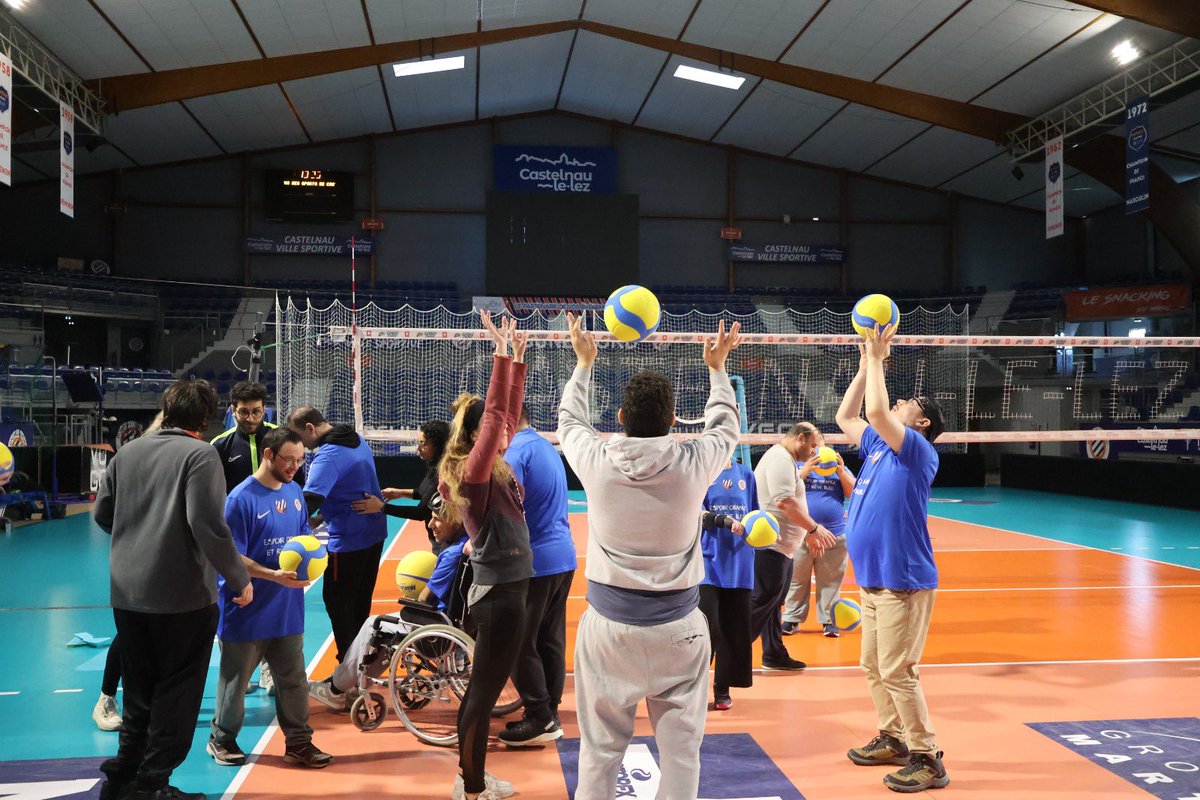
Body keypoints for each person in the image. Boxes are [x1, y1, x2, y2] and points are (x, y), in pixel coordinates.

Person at [558, 312, 741, 800]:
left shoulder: (595, 461)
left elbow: (570, 420)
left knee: (599, 753)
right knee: (682, 754)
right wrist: (717, 369)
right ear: (673, 420)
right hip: (679, 629)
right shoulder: (693, 463)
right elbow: (725, 426)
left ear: (620, 418)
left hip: (609, 631)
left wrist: (584, 363)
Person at [93, 380, 253, 800]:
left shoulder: (127, 453)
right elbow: (209, 527)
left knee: (140, 689)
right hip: (182, 597)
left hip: (127, 593)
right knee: (177, 694)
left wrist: (137, 538)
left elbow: (102, 513)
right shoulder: (200, 455)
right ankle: (153, 784)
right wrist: (239, 578)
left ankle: (123, 778)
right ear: (206, 418)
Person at [835, 328, 949, 793]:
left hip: (903, 578)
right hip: (874, 579)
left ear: (922, 423)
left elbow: (878, 410)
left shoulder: (918, 451)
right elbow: (848, 414)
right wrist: (865, 367)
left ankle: (928, 757)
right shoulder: (880, 446)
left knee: (898, 670)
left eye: (912, 402)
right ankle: (893, 737)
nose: (903, 402)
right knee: (872, 665)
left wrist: (880, 357)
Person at [438, 311, 532, 800]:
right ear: (478, 436)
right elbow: (497, 417)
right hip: (497, 596)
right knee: (483, 692)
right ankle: (472, 788)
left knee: (485, 689)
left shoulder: (494, 466)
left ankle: (468, 774)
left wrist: (517, 361)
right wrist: (498, 357)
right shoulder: (472, 475)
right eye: (493, 432)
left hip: (509, 590)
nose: (505, 434)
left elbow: (506, 417)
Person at [207, 427, 332, 769]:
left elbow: (303, 537)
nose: (294, 466)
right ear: (267, 455)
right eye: (288, 460)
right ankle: (221, 739)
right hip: (246, 606)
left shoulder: (294, 491)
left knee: (292, 680)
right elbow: (232, 556)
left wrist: (314, 558)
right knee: (236, 681)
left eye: (300, 460)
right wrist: (272, 575)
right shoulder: (241, 499)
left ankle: (299, 743)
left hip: (287, 606)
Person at [310, 489, 469, 710]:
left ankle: (337, 689)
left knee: (372, 626)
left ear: (455, 520)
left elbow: (424, 599)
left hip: (435, 625)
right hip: (449, 622)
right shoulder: (467, 544)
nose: (431, 525)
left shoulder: (451, 555)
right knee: (384, 637)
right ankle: (351, 683)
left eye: (436, 519)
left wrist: (409, 600)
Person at [498, 406, 577, 747]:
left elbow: (506, 508)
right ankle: (550, 711)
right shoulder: (545, 446)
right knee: (549, 638)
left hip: (535, 561)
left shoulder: (516, 453)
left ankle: (539, 717)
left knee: (515, 640)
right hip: (563, 556)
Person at [288, 406, 387, 664]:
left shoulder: (328, 455)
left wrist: (287, 526)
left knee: (337, 602)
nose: (301, 443)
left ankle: (347, 669)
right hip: (374, 533)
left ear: (310, 428)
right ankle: (361, 661)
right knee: (359, 603)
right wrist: (326, 514)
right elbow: (349, 485)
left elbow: (310, 499)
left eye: (300, 436)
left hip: (349, 540)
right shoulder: (355, 439)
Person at [212, 382, 288, 694]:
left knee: (273, 598)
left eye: (256, 411)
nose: (251, 417)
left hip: (274, 534)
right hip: (238, 536)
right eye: (243, 412)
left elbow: (294, 477)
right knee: (233, 600)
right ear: (233, 410)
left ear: (264, 409)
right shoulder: (221, 445)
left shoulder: (279, 436)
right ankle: (238, 671)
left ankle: (269, 671)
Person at [750, 422, 837, 671]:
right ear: (800, 438)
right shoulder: (779, 458)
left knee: (772, 604)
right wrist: (813, 529)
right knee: (761, 604)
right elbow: (785, 502)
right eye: (812, 446)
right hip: (770, 548)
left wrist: (806, 535)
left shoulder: (787, 461)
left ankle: (774, 654)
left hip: (783, 549)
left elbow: (792, 498)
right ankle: (728, 654)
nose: (813, 452)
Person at [782, 434, 857, 638]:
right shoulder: (795, 466)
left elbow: (854, 492)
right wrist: (804, 472)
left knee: (831, 581)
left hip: (834, 536)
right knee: (797, 579)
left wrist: (841, 471)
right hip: (801, 535)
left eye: (819, 443)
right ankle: (792, 618)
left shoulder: (837, 468)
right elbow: (785, 491)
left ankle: (829, 621)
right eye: (811, 444)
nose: (815, 448)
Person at [698, 459, 757, 711]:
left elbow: (755, 514)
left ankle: (722, 688)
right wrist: (722, 520)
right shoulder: (702, 470)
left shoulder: (746, 474)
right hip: (708, 562)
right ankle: (694, 688)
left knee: (734, 629)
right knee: (707, 628)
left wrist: (768, 533)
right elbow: (696, 513)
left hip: (740, 562)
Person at [350, 420, 450, 551]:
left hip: (446, 541)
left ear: (438, 446)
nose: (418, 448)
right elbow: (423, 493)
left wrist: (381, 507)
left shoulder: (444, 473)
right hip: (437, 538)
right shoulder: (435, 465)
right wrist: (399, 492)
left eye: (423, 444)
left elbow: (420, 512)